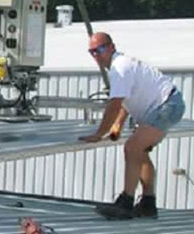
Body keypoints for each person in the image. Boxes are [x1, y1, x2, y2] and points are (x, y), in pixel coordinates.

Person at [78, 32, 185, 220]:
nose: (96, 55)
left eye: (100, 49)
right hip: (165, 106)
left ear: (111, 47)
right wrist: (117, 125)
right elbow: (125, 101)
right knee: (139, 152)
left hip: (166, 105)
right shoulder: (120, 66)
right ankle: (148, 204)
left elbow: (115, 105)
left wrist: (99, 134)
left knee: (132, 147)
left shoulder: (120, 68)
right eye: (92, 52)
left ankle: (125, 203)